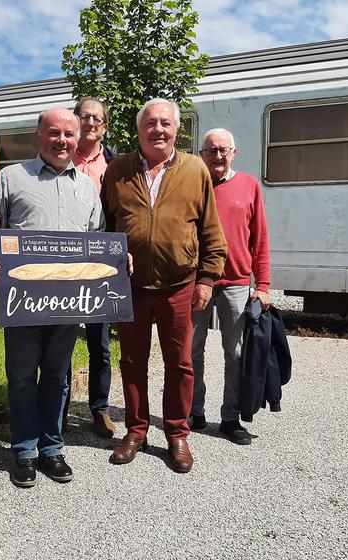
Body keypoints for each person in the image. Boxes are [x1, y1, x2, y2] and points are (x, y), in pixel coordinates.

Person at [0, 108, 104, 488]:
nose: (62, 140)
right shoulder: (12, 177)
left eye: (69, 134)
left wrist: (113, 258)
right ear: (39, 136)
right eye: (54, 133)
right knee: (20, 376)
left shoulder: (88, 187)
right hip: (24, 297)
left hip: (68, 300)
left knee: (57, 377)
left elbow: (96, 238)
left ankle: (52, 447)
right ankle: (24, 450)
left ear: (78, 139)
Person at [100, 98, 227, 473]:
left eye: (165, 123)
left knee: (181, 363)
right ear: (138, 129)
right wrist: (109, 262)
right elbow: (105, 227)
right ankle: (136, 430)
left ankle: (176, 433)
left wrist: (207, 278)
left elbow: (210, 229)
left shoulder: (195, 170)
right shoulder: (117, 170)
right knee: (132, 361)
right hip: (129, 287)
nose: (158, 129)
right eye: (150, 123)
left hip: (179, 285)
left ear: (176, 130)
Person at [190, 128, 271, 444]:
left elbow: (260, 237)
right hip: (197, 283)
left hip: (236, 283)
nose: (218, 156)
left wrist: (262, 284)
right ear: (202, 155)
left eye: (224, 150)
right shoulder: (193, 186)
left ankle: (230, 417)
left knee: (235, 354)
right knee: (191, 351)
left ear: (234, 153)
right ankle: (193, 412)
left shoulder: (249, 185)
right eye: (211, 150)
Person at [63, 97, 118, 438]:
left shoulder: (115, 166)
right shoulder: (59, 157)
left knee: (100, 343)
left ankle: (99, 409)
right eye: (85, 116)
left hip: (99, 263)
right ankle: (60, 407)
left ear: (105, 126)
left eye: (97, 118)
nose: (91, 122)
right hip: (63, 263)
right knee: (62, 339)